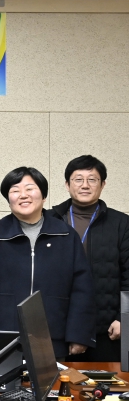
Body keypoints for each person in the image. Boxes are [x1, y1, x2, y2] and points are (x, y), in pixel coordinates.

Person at [0, 167, 96, 359]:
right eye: (15, 190)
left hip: (51, 336)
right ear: (8, 199)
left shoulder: (66, 234)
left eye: (30, 189)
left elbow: (82, 289)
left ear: (43, 196)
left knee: (52, 380)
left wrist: (79, 335)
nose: (23, 195)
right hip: (2, 336)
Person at [52, 155, 129, 362]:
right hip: (56, 326)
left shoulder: (121, 224)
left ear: (102, 184)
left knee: (105, 382)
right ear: (67, 184)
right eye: (78, 179)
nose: (85, 185)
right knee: (56, 381)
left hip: (106, 328)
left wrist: (124, 317)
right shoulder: (50, 220)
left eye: (92, 179)